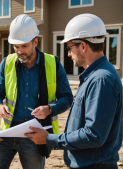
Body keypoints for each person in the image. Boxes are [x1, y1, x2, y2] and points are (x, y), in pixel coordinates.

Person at [25, 14, 123, 169]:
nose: (69, 54)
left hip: (94, 165)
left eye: (70, 48)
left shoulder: (100, 79)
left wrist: (50, 139)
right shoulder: (95, 76)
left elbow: (94, 135)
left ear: (83, 46)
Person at [0, 14, 73, 169]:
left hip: (35, 135)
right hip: (8, 132)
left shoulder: (52, 63)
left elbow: (67, 97)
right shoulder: (6, 63)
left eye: (24, 46)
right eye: (16, 46)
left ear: (35, 41)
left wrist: (50, 109)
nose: (19, 51)